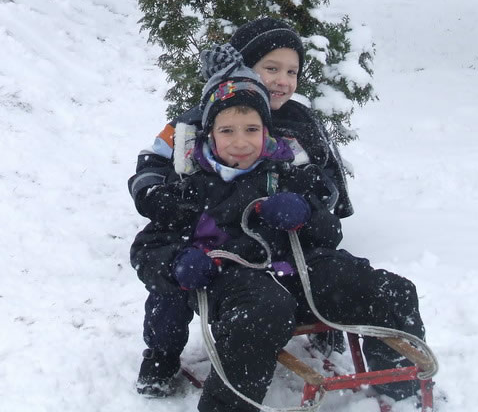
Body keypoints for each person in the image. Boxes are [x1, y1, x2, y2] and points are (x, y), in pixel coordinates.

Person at [130, 49, 427, 412]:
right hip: (230, 282)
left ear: (266, 130)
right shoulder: (191, 186)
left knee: (389, 290)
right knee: (264, 309)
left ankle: (402, 388)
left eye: (252, 129)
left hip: (298, 272)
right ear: (210, 134)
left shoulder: (288, 172)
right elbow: (148, 248)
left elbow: (329, 234)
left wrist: (306, 214)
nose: (241, 142)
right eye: (227, 131)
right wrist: (179, 261)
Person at [129, 18, 351, 396]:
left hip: (274, 233)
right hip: (204, 228)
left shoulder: (299, 124)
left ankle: (323, 318)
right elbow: (153, 161)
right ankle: (162, 352)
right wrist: (157, 196)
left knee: (319, 266)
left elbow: (323, 177)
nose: (282, 81)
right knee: (172, 283)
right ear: (243, 67)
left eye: (292, 72)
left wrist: (309, 206)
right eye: (271, 68)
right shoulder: (194, 123)